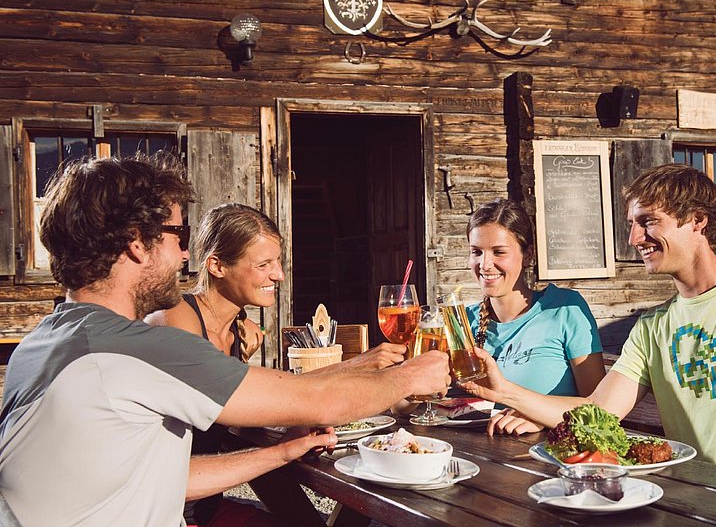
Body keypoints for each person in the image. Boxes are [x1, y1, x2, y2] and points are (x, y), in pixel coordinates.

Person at [0, 155, 450, 525]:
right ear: (137, 243)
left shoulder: (43, 342)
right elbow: (323, 400)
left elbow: (166, 476)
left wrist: (282, 451)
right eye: (177, 235)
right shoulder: (136, 348)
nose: (183, 254)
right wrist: (413, 374)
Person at [463, 164, 716, 491]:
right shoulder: (653, 326)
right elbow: (598, 412)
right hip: (689, 507)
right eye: (633, 224)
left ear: (697, 221)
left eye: (648, 222)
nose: (635, 237)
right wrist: (506, 392)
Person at [146, 203, 408, 525]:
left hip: (205, 506)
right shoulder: (176, 321)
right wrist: (362, 369)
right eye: (263, 264)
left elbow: (254, 402)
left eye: (278, 261)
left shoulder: (236, 333)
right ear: (216, 265)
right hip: (168, 514)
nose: (279, 275)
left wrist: (300, 426)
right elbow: (241, 400)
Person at [465, 198, 605, 434]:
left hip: (549, 461)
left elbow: (600, 412)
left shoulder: (564, 309)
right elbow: (408, 406)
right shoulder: (464, 320)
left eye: (498, 252)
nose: (485, 264)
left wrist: (543, 417)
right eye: (476, 252)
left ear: (527, 255)